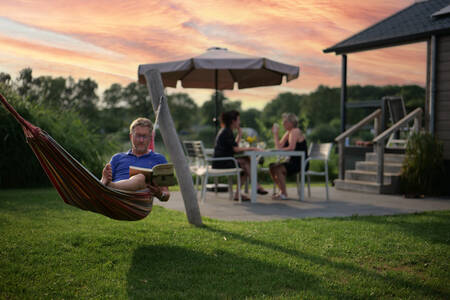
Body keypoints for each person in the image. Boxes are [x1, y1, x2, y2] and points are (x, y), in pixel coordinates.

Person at [101, 117, 170, 202]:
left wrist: (159, 194)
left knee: (141, 177)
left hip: (138, 202)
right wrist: (105, 176)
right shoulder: (117, 158)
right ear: (131, 136)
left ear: (150, 138)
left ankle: (110, 187)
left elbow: (166, 194)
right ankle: (109, 187)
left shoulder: (160, 159)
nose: (141, 140)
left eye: (144, 136)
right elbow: (105, 179)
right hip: (115, 199)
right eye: (138, 136)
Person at [213, 110, 268, 201]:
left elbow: (235, 146)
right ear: (233, 121)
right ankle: (256, 186)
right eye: (238, 120)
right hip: (221, 162)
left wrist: (239, 134)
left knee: (246, 165)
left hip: (222, 161)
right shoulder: (227, 132)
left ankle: (240, 193)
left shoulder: (226, 131)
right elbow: (236, 149)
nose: (239, 122)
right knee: (247, 164)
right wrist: (253, 148)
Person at [269, 113, 308, 200]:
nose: (283, 123)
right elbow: (278, 147)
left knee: (278, 168)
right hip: (292, 161)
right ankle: (282, 191)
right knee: (272, 167)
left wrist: (281, 150)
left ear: (291, 122)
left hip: (300, 162)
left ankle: (284, 193)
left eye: (285, 122)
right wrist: (275, 134)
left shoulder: (296, 131)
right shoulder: (288, 132)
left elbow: (291, 148)